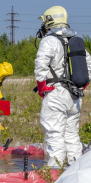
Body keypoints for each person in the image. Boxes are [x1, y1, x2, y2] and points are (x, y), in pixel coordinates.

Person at [34, 6, 91, 167]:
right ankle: (74, 176)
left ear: (49, 21)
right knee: (72, 136)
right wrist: (82, 86)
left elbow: (40, 65)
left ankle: (54, 176)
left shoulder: (49, 41)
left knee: (54, 136)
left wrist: (41, 87)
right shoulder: (74, 41)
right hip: (74, 96)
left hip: (55, 94)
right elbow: (89, 65)